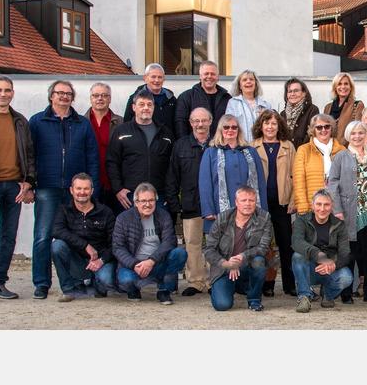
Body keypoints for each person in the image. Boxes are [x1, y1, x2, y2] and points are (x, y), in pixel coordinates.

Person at [29, 80, 99, 299]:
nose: (64, 96)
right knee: (43, 236)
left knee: (76, 235)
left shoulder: (82, 124)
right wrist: (29, 183)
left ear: (73, 97)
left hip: (75, 190)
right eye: (60, 93)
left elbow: (92, 156)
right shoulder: (37, 121)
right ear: (52, 96)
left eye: (68, 93)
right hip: (47, 187)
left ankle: (76, 280)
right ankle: (41, 282)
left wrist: (92, 186)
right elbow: (29, 155)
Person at [0, 75, 35, 303]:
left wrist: (28, 181)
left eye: (7, 90)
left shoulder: (20, 121)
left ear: (12, 93)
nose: (3, 94)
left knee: (8, 236)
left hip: (14, 186)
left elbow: (29, 154)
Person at [328, 121, 367, 303]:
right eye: (353, 133)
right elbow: (332, 184)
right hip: (351, 213)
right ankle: (346, 294)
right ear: (348, 135)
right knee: (350, 254)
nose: (357, 136)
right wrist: (337, 209)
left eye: (361, 133)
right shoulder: (341, 156)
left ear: (365, 135)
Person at [113, 182, 187, 304]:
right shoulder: (123, 218)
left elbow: (169, 241)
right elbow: (118, 248)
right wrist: (135, 264)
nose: (147, 204)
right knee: (126, 280)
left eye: (151, 200)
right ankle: (134, 290)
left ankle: (164, 290)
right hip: (134, 266)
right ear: (136, 202)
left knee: (180, 253)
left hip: (157, 263)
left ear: (156, 200)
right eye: (143, 201)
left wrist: (151, 261)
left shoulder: (163, 215)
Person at [165, 108, 212, 297]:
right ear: (191, 123)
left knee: (214, 243)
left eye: (204, 120)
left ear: (210, 121)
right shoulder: (181, 145)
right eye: (196, 121)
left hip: (213, 205)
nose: (200, 124)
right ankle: (196, 281)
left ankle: (213, 281)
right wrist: (174, 203)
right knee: (192, 243)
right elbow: (172, 176)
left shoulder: (217, 143)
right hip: (190, 203)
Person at [251, 110, 297, 297]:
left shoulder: (288, 147)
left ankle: (289, 284)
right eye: (266, 123)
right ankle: (267, 284)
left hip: (283, 203)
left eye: (274, 123)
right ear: (260, 126)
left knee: (286, 244)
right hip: (260, 204)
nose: (270, 127)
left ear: (279, 126)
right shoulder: (252, 146)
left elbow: (295, 175)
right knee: (264, 245)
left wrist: (293, 199)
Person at [204, 186, 272, 311]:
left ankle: (254, 299)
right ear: (236, 202)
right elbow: (209, 249)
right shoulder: (222, 218)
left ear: (255, 202)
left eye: (251, 200)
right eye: (243, 200)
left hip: (246, 264)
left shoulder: (264, 218)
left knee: (259, 261)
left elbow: (263, 247)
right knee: (222, 305)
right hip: (224, 268)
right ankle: (229, 287)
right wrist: (226, 263)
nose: (248, 204)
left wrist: (241, 257)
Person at [106, 90, 175, 214]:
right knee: (130, 227)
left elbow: (172, 166)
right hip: (130, 196)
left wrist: (169, 194)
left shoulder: (165, 133)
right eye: (141, 104)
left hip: (158, 196)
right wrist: (118, 189)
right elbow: (112, 162)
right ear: (134, 107)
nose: (146, 108)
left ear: (153, 107)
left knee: (160, 227)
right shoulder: (122, 131)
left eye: (149, 104)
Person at [51, 173, 116, 302]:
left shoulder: (105, 212)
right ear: (71, 190)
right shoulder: (64, 210)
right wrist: (85, 245)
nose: (82, 192)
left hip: (100, 260)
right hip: (76, 260)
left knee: (106, 282)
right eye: (78, 188)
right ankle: (69, 289)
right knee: (57, 246)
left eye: (86, 188)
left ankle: (93, 284)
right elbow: (57, 231)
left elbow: (115, 242)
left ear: (92, 190)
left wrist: (101, 260)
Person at [199, 114, 268, 234]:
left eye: (234, 127)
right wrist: (208, 210)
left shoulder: (251, 152)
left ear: (238, 130)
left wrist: (263, 210)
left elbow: (260, 182)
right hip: (220, 211)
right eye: (226, 127)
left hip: (249, 210)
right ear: (220, 130)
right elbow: (205, 184)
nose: (230, 130)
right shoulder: (211, 153)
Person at [291, 189, 353, 313]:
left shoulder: (339, 225)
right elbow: (296, 242)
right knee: (297, 256)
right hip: (309, 269)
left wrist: (334, 265)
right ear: (312, 206)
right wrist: (319, 255)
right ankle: (304, 297)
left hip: (329, 269)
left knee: (346, 277)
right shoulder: (301, 221)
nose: (322, 209)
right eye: (319, 204)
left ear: (332, 206)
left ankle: (327, 295)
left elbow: (345, 253)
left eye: (326, 205)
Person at [292, 114, 345, 214]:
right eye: (319, 127)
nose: (323, 130)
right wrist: (303, 207)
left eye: (327, 126)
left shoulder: (342, 150)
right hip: (313, 206)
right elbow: (298, 182)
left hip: (337, 207)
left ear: (332, 128)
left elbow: (347, 181)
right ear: (313, 130)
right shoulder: (304, 150)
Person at [86, 82, 123, 213]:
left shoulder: (121, 123)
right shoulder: (81, 122)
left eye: (104, 95)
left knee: (116, 221)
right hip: (88, 184)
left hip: (115, 185)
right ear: (91, 98)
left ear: (110, 99)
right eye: (96, 95)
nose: (100, 98)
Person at [174, 60, 231, 138]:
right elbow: (180, 123)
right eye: (206, 74)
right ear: (200, 76)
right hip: (194, 144)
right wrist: (184, 143)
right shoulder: (186, 97)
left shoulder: (227, 98)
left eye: (213, 74)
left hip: (221, 143)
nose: (209, 76)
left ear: (218, 77)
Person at [124, 63, 177, 136]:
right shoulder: (135, 98)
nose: (157, 80)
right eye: (153, 77)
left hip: (167, 140)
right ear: (145, 78)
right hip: (143, 139)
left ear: (164, 79)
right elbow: (127, 122)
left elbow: (176, 122)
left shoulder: (171, 99)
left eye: (160, 77)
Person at [225, 69, 272, 141]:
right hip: (241, 145)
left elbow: (271, 127)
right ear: (240, 86)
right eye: (244, 80)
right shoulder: (233, 103)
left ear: (255, 84)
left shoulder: (265, 105)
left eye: (251, 79)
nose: (248, 81)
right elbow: (228, 126)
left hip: (261, 145)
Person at [323, 72, 364, 146]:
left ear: (351, 87)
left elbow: (358, 131)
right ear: (335, 87)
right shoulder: (327, 107)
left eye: (346, 84)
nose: (343, 87)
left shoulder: (357, 105)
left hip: (346, 148)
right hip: (328, 148)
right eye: (339, 84)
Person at [280, 77, 320, 148]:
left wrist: (300, 150)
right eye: (290, 91)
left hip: (305, 152)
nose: (292, 94)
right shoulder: (282, 114)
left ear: (304, 93)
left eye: (296, 91)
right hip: (287, 152)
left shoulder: (312, 110)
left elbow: (312, 134)